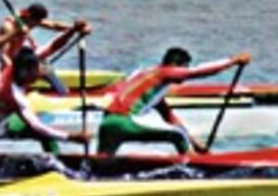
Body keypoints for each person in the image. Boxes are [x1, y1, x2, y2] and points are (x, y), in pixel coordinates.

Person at [96, 47, 251, 155]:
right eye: (185, 67)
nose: (184, 72)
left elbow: (170, 118)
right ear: (177, 66)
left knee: (102, 162)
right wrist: (232, 61)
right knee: (177, 135)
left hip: (106, 123)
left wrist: (195, 144)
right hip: (125, 121)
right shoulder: (164, 72)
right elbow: (199, 72)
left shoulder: (149, 80)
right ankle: (195, 166)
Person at [0, 30, 92, 154]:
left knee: (45, 136)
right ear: (24, 72)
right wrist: (71, 137)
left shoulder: (19, 64)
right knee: (41, 130)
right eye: (35, 71)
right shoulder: (14, 95)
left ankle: (56, 159)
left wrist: (73, 30)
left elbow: (52, 46)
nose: (39, 73)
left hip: (4, 123)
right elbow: (36, 126)